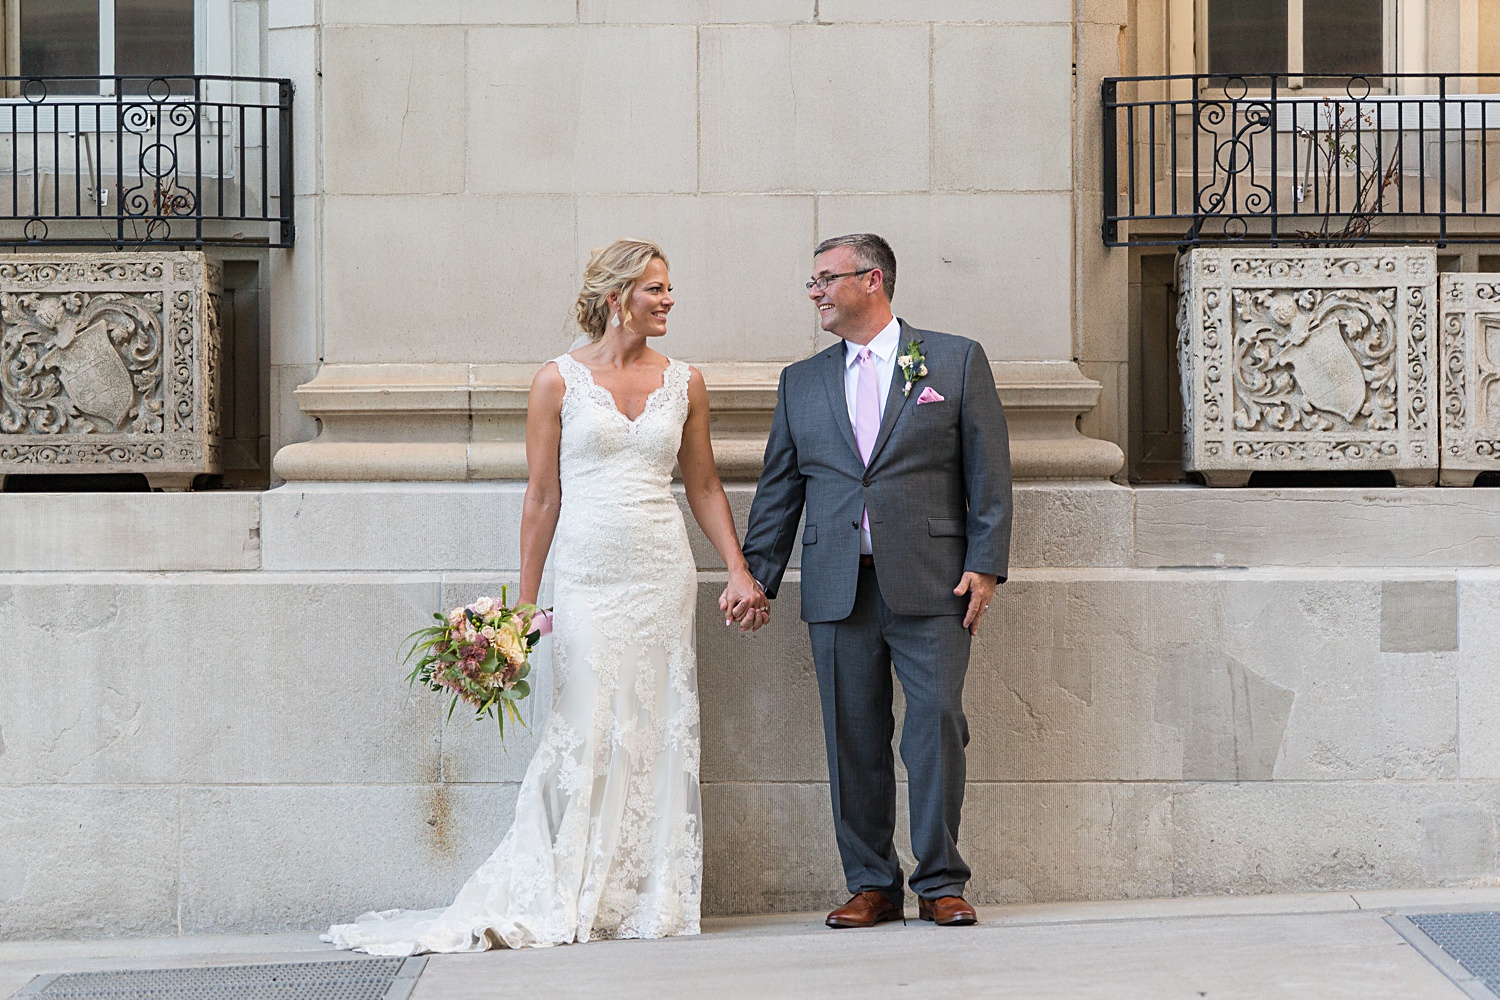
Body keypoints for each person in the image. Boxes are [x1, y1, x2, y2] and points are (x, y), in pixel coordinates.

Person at [326, 239, 768, 955]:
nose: (668, 300)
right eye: (655, 288)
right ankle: (565, 884)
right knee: (586, 727)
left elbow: (705, 486)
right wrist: (525, 609)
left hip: (662, 572)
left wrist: (738, 571)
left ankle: (645, 895)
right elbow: (541, 497)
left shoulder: (685, 382)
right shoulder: (555, 383)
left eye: (668, 288)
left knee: (657, 727)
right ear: (618, 296)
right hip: (589, 576)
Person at [736, 233, 1012, 929]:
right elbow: (778, 489)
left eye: (826, 279)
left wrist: (986, 563)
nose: (815, 292)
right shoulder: (802, 382)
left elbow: (989, 470)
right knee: (851, 737)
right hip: (837, 585)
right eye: (813, 281)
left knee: (938, 725)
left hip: (933, 584)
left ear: (874, 281)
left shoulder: (952, 359)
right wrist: (755, 576)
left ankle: (941, 881)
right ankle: (872, 884)